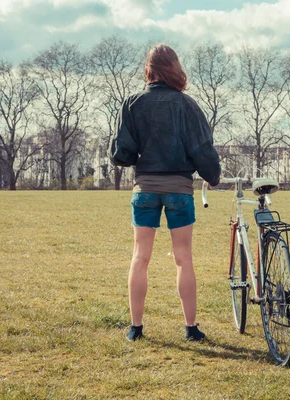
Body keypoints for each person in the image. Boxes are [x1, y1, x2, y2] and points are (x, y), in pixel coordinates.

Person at [109, 44, 221, 342]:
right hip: (179, 191)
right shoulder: (187, 105)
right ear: (175, 68)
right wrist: (213, 176)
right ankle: (191, 328)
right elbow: (202, 149)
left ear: (149, 69)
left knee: (139, 258)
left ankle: (136, 328)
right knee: (183, 258)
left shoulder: (133, 103)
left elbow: (121, 153)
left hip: (145, 189)